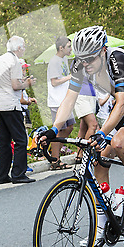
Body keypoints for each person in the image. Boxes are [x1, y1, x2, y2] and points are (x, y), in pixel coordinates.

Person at [40, 25, 124, 247]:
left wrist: (102, 133)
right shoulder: (81, 63)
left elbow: (123, 103)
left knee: (118, 142)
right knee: (100, 159)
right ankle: (103, 222)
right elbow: (69, 100)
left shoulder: (117, 59)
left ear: (103, 50)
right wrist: (53, 130)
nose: (85, 65)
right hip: (121, 107)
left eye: (90, 60)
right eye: (81, 59)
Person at [0, 36, 36, 184]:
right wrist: (28, 83)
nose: (24, 49)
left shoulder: (0, 59)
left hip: (0, 103)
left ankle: (2, 175)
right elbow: (16, 85)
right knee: (21, 140)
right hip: (12, 104)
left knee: (3, 141)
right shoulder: (15, 62)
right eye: (23, 47)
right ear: (18, 48)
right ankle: (18, 174)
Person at [47, 36, 74, 170]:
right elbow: (54, 82)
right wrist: (69, 77)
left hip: (65, 100)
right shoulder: (54, 61)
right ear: (61, 48)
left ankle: (53, 148)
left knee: (69, 127)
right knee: (58, 130)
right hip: (57, 101)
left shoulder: (63, 60)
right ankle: (55, 160)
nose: (71, 49)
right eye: (68, 47)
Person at [74, 77, 99, 164]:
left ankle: (79, 154)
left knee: (84, 127)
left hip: (92, 94)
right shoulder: (79, 64)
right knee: (93, 125)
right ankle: (86, 153)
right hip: (81, 95)